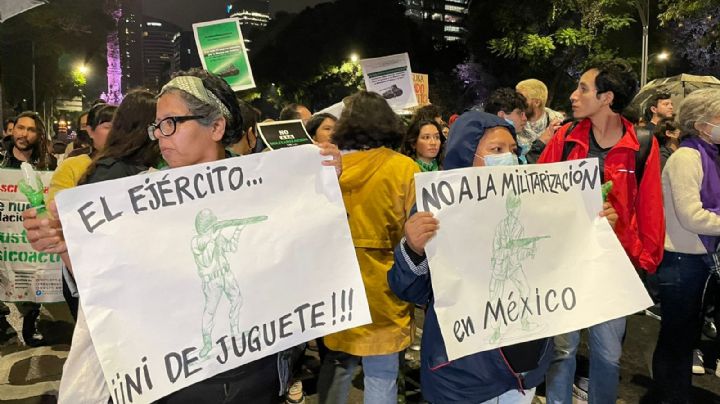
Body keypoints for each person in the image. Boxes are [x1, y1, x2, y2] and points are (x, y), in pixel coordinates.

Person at [23, 68, 341, 403]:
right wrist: (66, 247)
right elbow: (108, 287)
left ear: (216, 126)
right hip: (174, 382)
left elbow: (307, 263)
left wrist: (320, 185)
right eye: (156, 126)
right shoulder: (135, 200)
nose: (160, 135)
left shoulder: (270, 188)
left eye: (170, 123)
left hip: (258, 376)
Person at [388, 110, 566, 403]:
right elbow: (409, 289)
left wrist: (590, 228)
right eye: (496, 150)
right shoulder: (435, 210)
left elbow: (557, 263)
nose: (507, 157)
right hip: (464, 374)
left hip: (522, 367)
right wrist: (413, 249)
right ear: (467, 153)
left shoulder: (535, 204)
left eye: (511, 150)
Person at [540, 60, 664, 404]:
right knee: (562, 351)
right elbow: (536, 196)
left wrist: (643, 260)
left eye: (583, 88)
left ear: (606, 97)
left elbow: (650, 207)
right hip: (564, 262)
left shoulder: (642, 144)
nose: (573, 95)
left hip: (612, 267)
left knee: (608, 356)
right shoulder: (565, 137)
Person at [317, 90, 418, 404]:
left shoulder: (327, 167)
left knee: (336, 369)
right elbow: (413, 233)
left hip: (337, 285)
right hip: (385, 288)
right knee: (382, 376)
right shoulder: (404, 168)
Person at [651, 88, 720, 403]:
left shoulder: (709, 155)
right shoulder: (686, 157)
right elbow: (692, 217)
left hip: (701, 259)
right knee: (676, 337)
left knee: (686, 334)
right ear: (701, 122)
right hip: (682, 261)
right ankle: (670, 395)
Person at [0, 111, 56, 346]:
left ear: (39, 134)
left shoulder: (49, 164)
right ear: (12, 131)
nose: (24, 134)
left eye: (31, 130)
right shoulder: (1, 162)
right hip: (4, 234)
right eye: (20, 128)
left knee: (33, 276)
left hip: (30, 235)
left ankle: (30, 323)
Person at [516, 79, 565, 147]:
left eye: (522, 99)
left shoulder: (559, 125)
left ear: (537, 102)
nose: (517, 102)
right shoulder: (512, 120)